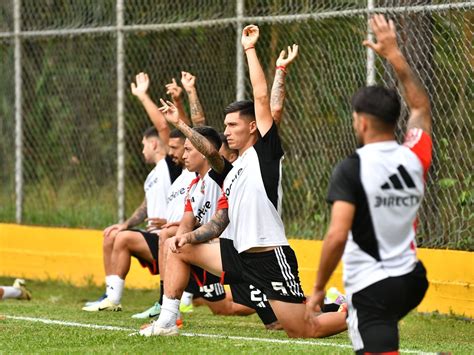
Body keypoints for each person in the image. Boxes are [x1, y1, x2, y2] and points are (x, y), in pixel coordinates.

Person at [139, 25, 346, 338]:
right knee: (177, 246)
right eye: (225, 125)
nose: (227, 130)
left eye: (233, 124)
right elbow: (218, 207)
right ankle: (167, 321)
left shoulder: (264, 155)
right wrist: (191, 237)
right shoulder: (231, 171)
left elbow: (263, 100)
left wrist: (250, 49)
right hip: (237, 253)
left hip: (268, 256)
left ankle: (354, 310)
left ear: (252, 127)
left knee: (302, 330)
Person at [306, 14, 432, 354]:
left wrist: (318, 289)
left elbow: (336, 235)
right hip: (412, 280)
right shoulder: (415, 155)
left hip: (372, 288)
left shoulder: (352, 168)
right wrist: (394, 55)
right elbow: (420, 105)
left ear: (361, 122)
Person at [82, 72, 183, 311]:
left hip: (166, 237)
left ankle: (115, 300)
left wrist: (142, 95)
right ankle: (109, 295)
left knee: (124, 239)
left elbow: (161, 125)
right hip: (153, 236)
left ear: (155, 143)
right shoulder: (153, 174)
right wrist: (125, 223)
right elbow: (145, 206)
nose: (142, 150)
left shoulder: (171, 163)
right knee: (112, 234)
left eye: (143, 145)